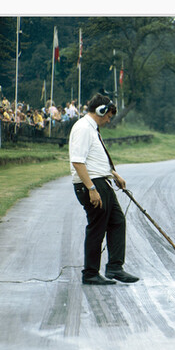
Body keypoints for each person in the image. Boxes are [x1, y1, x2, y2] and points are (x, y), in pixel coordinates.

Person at [68, 93, 140, 285]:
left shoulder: (92, 129)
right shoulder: (83, 128)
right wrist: (91, 188)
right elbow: (77, 161)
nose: (109, 120)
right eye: (108, 116)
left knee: (117, 221)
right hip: (93, 184)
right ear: (101, 111)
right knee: (97, 228)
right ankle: (90, 273)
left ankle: (115, 267)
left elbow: (94, 159)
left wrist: (114, 174)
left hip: (102, 181)